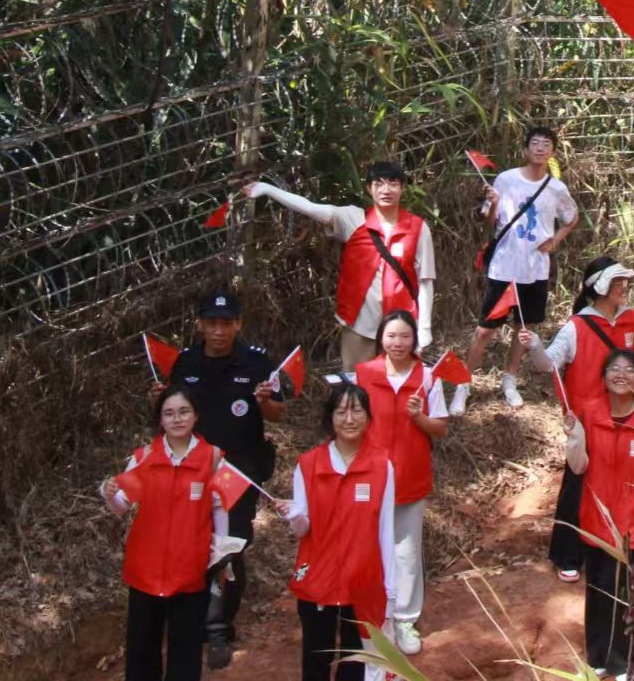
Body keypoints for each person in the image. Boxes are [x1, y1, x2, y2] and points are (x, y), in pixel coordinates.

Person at [163, 293, 284, 667]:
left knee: (229, 545)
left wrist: (264, 402)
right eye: (212, 323)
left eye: (226, 323)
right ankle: (191, 619)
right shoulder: (185, 362)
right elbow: (170, 415)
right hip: (193, 471)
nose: (219, 331)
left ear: (238, 324)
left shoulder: (257, 361)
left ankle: (218, 629)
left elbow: (277, 413)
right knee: (191, 542)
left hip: (239, 470)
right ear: (200, 324)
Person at [523, 257, 634, 584]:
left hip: (625, 417)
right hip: (586, 423)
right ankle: (568, 554)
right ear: (600, 286)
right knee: (578, 485)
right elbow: (547, 364)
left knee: (623, 483)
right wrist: (535, 346)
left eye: (624, 281)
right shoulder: (577, 326)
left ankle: (621, 548)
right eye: (616, 281)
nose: (623, 286)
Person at [245, 163, 437, 370]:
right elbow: (309, 207)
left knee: (398, 382)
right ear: (369, 189)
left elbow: (425, 280)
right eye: (379, 184)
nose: (386, 190)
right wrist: (268, 190)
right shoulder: (353, 218)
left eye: (393, 184)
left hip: (400, 324)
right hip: (359, 324)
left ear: (402, 188)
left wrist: (424, 328)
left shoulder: (418, 228)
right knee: (357, 382)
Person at [100, 384, 230, 681]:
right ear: (160, 419)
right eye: (169, 413)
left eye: (184, 412)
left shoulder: (214, 459)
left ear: (196, 415)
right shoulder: (144, 457)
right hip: (145, 570)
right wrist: (108, 494)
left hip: (190, 569)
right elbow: (121, 505)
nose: (177, 419)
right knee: (141, 650)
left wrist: (222, 554)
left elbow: (221, 507)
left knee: (185, 650)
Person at [453, 127, 580, 414]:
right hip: (504, 267)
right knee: (484, 330)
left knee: (524, 329)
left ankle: (509, 380)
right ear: (525, 150)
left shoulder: (556, 188)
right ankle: (463, 384)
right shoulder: (506, 179)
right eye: (534, 143)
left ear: (553, 153)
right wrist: (494, 203)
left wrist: (556, 239)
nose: (540, 148)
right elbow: (489, 220)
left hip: (535, 269)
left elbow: (572, 218)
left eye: (546, 144)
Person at [564, 349, 634, 681]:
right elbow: (578, 466)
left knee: (624, 594)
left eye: (629, 370)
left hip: (633, 523)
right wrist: (573, 436)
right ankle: (597, 658)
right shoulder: (588, 412)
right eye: (614, 369)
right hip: (596, 520)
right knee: (598, 589)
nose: (621, 374)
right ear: (603, 377)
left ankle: (623, 664)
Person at [278, 381, 397, 681]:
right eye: (341, 412)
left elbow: (385, 530)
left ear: (368, 417)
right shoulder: (308, 465)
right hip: (318, 579)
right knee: (316, 659)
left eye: (356, 411)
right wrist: (295, 516)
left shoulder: (382, 465)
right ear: (330, 417)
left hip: (363, 582)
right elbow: (302, 531)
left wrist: (390, 590)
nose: (349, 419)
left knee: (355, 662)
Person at [353, 311, 448, 656]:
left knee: (406, 553)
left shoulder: (428, 377)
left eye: (405, 336)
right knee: (367, 548)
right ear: (381, 337)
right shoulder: (364, 374)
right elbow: (348, 422)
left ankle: (405, 619)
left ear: (414, 340)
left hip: (410, 475)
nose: (397, 343)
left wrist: (417, 416)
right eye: (391, 336)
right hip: (368, 478)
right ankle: (372, 616)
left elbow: (440, 428)